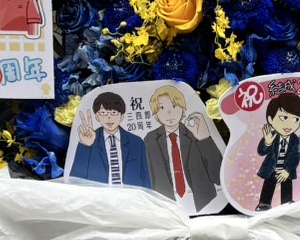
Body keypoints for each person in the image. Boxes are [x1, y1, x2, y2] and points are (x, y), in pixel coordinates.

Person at [143, 84, 223, 213]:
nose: (169, 112)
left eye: (174, 106)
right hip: (166, 206)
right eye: (162, 108)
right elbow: (148, 174)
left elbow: (219, 177)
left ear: (183, 108)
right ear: (155, 112)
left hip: (205, 202)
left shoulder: (196, 131)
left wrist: (204, 139)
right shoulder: (150, 139)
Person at [70, 91, 151, 188]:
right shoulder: (89, 140)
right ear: (97, 117)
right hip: (99, 196)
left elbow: (145, 178)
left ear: (121, 116)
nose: (109, 118)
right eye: (103, 113)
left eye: (114, 113)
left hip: (130, 195)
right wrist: (85, 146)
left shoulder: (136, 142)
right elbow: (75, 180)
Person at [256, 93, 300, 211]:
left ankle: (287, 202)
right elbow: (261, 152)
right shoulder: (271, 136)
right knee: (269, 185)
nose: (289, 125)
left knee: (287, 185)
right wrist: (267, 143)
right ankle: (264, 204)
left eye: (296, 119)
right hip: (271, 168)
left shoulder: (298, 140)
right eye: (283, 118)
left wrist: (287, 170)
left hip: (286, 170)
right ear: (271, 119)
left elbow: (296, 157)